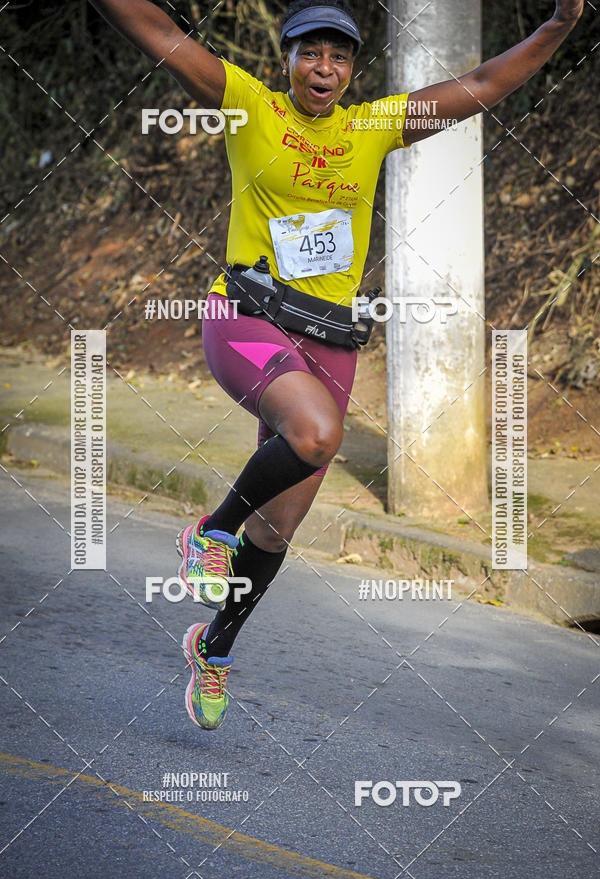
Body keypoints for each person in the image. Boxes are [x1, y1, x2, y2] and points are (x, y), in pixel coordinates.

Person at [91, 0, 583, 729]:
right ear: (287, 59)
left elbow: (482, 84)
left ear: (352, 69)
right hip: (247, 316)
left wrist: (558, 26)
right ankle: (210, 531)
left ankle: (213, 647)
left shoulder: (372, 127)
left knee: (277, 531)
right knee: (317, 435)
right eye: (310, 53)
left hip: (330, 340)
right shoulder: (250, 106)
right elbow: (161, 32)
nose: (324, 68)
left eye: (339, 57)